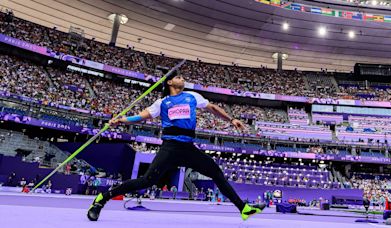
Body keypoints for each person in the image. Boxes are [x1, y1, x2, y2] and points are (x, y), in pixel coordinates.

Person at [87, 70, 265, 221]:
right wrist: (121, 120)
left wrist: (232, 119)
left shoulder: (192, 96)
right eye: (178, 76)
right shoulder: (162, 102)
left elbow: (212, 108)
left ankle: (243, 209)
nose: (183, 78)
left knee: (216, 173)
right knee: (147, 181)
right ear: (170, 81)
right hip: (170, 148)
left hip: (188, 148)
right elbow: (143, 116)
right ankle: (102, 198)